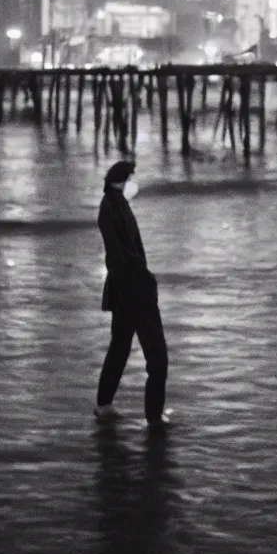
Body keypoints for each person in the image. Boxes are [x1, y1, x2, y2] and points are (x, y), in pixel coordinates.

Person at [94, 160, 169, 425]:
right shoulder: (114, 207)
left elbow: (119, 254)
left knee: (120, 347)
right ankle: (154, 419)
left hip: (122, 289)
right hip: (134, 290)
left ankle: (104, 405)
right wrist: (145, 279)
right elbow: (122, 254)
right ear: (124, 182)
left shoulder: (113, 205)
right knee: (157, 359)